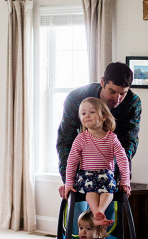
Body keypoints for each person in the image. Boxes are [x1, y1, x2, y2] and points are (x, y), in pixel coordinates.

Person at [57, 62, 141, 199]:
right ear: (102, 82)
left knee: (107, 215)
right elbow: (65, 142)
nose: (117, 99)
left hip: (109, 172)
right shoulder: (77, 98)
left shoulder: (133, 103)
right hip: (82, 171)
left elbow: (128, 144)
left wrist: (121, 180)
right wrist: (68, 182)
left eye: (122, 94)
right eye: (112, 92)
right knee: (79, 216)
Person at [64, 97, 131, 225]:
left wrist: (125, 182)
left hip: (106, 176)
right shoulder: (81, 138)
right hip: (87, 175)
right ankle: (96, 213)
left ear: (104, 116)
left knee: (109, 191)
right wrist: (69, 184)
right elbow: (72, 162)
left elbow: (123, 160)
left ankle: (101, 210)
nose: (87, 116)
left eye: (92, 112)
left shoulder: (112, 139)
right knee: (91, 192)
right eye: (83, 113)